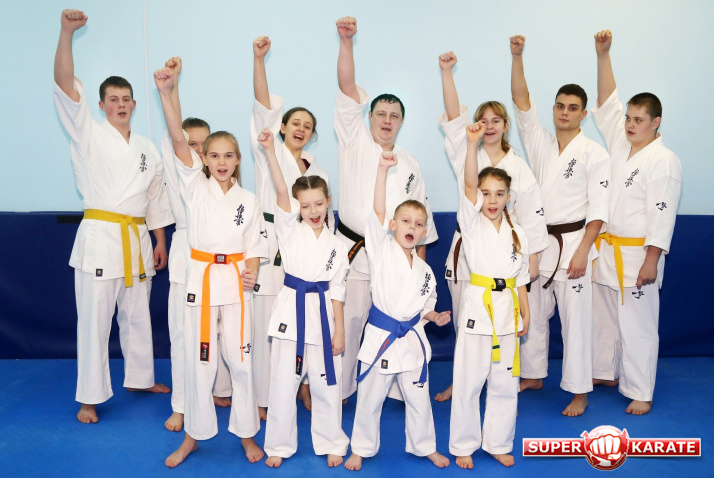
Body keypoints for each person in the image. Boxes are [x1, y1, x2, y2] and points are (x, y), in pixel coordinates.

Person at [53, 8, 173, 425]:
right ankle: (89, 397)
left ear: (134, 104)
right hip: (101, 238)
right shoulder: (87, 132)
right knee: (95, 321)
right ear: (102, 105)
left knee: (138, 314)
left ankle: (140, 378)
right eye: (113, 100)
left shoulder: (147, 148)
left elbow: (155, 199)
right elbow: (65, 84)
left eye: (126, 99)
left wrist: (160, 240)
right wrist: (66, 33)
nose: (120, 105)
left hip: (137, 240)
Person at [155, 57, 267, 467]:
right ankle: (193, 436)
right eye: (214, 155)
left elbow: (254, 244)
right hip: (201, 281)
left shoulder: (248, 200)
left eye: (229, 156)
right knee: (199, 363)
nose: (220, 162)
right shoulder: (194, 187)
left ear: (238, 161)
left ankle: (247, 435)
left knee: (241, 363)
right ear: (202, 159)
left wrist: (252, 269)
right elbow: (176, 136)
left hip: (235, 284)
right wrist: (167, 92)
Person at [334, 16, 438, 402]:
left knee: (395, 322)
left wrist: (419, 272)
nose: (387, 120)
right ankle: (340, 393)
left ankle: (395, 389)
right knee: (350, 322)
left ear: (402, 122)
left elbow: (421, 224)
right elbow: (347, 87)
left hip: (397, 259)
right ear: (369, 118)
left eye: (394, 116)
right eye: (381, 113)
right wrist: (347, 42)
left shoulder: (410, 163)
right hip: (354, 250)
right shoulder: (354, 141)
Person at [434, 51, 548, 402]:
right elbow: (454, 117)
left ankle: (502, 385)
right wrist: (447, 72)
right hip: (470, 250)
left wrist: (531, 260)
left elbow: (530, 216)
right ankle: (463, 382)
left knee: (506, 324)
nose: (489, 125)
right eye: (483, 120)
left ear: (505, 125)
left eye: (496, 119)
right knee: (465, 323)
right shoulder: (466, 154)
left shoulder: (520, 167)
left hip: (506, 255)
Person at [510, 35, 611, 416]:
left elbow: (598, 210)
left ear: (584, 114)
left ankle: (580, 390)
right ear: (554, 109)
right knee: (533, 313)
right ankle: (534, 374)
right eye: (560, 106)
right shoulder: (540, 144)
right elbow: (521, 101)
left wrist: (584, 251)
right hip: (538, 242)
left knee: (575, 323)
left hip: (574, 244)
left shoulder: (595, 154)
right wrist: (517, 56)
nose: (564, 113)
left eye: (572, 108)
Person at [591, 30, 682, 415]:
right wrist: (603, 55)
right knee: (605, 320)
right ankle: (606, 372)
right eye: (629, 118)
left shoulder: (664, 161)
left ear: (655, 122)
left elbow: (663, 214)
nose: (630, 124)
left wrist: (651, 260)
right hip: (608, 249)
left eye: (639, 120)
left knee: (638, 327)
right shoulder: (621, 142)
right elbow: (608, 100)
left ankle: (641, 391)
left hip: (638, 255)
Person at [344, 152, 451, 471]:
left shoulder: (425, 271)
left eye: (418, 224)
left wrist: (434, 316)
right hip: (381, 338)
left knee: (419, 400)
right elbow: (378, 209)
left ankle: (425, 446)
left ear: (424, 232)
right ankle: (360, 448)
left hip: (412, 340)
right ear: (392, 225)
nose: (412, 227)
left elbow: (426, 305)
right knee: (370, 399)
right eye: (405, 221)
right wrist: (381, 170)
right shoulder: (381, 250)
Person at [251, 36, 334, 416]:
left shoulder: (317, 171)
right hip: (271, 243)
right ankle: (265, 398)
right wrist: (259, 60)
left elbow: (324, 218)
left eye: (308, 126)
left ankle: (304, 387)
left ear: (312, 136)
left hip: (306, 252)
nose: (301, 129)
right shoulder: (267, 152)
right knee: (269, 326)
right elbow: (262, 105)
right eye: (295, 123)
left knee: (307, 323)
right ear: (282, 127)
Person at [257, 128, 349, 468]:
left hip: (324, 317)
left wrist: (340, 331)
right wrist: (270, 150)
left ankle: (332, 441)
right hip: (291, 312)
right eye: (305, 205)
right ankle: (279, 445)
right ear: (296, 208)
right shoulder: (289, 230)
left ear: (328, 202)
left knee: (327, 385)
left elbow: (337, 290)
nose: (313, 211)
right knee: (283, 383)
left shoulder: (338, 246)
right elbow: (282, 189)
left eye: (319, 204)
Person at [449, 122, 531, 469]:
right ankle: (463, 444)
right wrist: (472, 145)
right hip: (478, 310)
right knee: (469, 382)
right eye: (486, 193)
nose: (492, 200)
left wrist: (525, 312)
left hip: (508, 312)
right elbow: (469, 183)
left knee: (505, 383)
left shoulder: (518, 233)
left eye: (499, 193)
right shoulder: (471, 224)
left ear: (509, 196)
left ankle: (498, 442)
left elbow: (521, 278)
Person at [161, 115, 234, 433]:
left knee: (220, 335)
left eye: (205, 144)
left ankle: (216, 389)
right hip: (187, 259)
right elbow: (174, 134)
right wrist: (169, 92)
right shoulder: (185, 176)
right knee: (182, 337)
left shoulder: (227, 184)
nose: (199, 150)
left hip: (222, 266)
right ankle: (181, 405)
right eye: (192, 144)